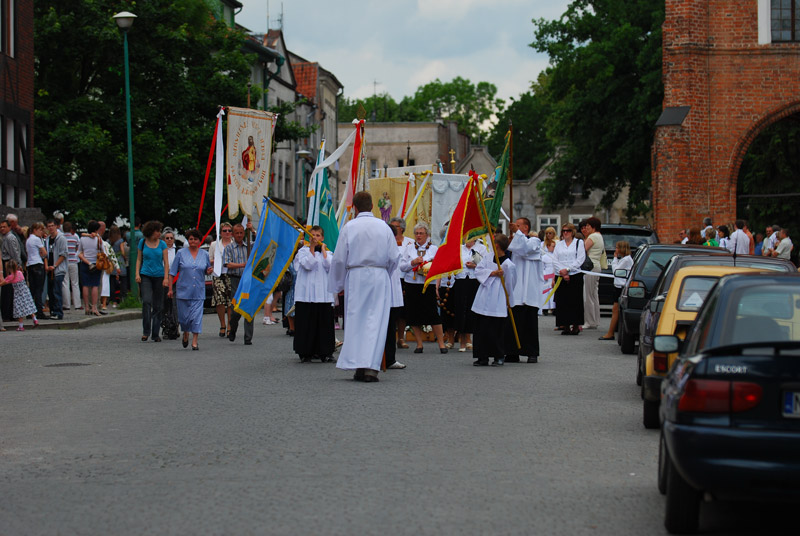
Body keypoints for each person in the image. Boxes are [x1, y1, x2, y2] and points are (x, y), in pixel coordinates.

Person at [329, 191, 400, 383]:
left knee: (356, 320)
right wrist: (384, 273)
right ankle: (370, 368)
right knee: (376, 322)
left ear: (354, 208)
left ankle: (358, 364)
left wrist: (338, 283)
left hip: (356, 276)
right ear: (372, 206)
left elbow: (339, 259)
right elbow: (394, 257)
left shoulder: (349, 227)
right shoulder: (384, 227)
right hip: (379, 276)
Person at [398, 222, 448, 353]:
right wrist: (413, 263)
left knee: (433, 314)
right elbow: (402, 267)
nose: (418, 236)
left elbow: (440, 267)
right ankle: (419, 344)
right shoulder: (409, 249)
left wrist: (429, 266)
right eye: (416, 233)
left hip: (428, 285)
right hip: (412, 284)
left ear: (427, 235)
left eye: (421, 233)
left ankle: (441, 344)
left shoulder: (434, 249)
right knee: (414, 314)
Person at [471, 234, 516, 367]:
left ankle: (498, 356)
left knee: (496, 330)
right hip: (484, 295)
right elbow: (479, 270)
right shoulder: (488, 257)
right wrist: (492, 273)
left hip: (498, 297)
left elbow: (511, 283)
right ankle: (482, 356)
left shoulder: (508, 264)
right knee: (481, 328)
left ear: (497, 245)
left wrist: (508, 299)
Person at [293, 225, 335, 362]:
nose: (315, 238)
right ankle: (305, 352)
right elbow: (308, 265)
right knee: (306, 324)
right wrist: (311, 248)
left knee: (324, 325)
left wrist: (323, 251)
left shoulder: (328, 253)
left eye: (318, 235)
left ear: (322, 238)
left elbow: (330, 266)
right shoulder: (302, 252)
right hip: (306, 295)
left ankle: (325, 352)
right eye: (313, 235)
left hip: (323, 295)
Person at [506, 217, 544, 363]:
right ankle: (512, 352)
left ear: (526, 227)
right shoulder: (515, 241)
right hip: (517, 288)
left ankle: (531, 352)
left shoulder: (534, 241)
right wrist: (512, 240)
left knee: (530, 324)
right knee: (514, 322)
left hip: (529, 289)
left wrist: (517, 234)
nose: (515, 227)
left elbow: (525, 249)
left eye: (518, 225)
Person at [168, 228, 212, 350]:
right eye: (191, 239)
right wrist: (170, 289)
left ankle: (195, 341)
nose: (193, 241)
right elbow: (172, 272)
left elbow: (207, 269)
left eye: (195, 239)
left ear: (199, 241)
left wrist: (209, 270)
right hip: (183, 291)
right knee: (184, 318)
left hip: (198, 290)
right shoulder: (180, 253)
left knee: (196, 317)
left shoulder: (205, 254)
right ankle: (186, 332)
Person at [135, 220, 169, 342]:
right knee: (146, 301)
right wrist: (137, 273)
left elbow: (166, 262)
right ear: (151, 232)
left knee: (158, 305)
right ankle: (146, 331)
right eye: (157, 231)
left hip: (159, 276)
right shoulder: (142, 242)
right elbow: (139, 259)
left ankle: (155, 333)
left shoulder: (162, 244)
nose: (159, 233)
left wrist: (166, 278)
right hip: (146, 275)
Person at [553, 223, 586, 335]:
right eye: (563, 231)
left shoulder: (578, 243)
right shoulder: (559, 244)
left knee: (575, 300)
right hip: (561, 274)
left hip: (575, 274)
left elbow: (580, 259)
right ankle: (565, 325)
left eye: (568, 231)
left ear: (572, 232)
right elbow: (555, 260)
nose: (565, 233)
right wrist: (562, 272)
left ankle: (575, 325)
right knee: (562, 301)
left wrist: (568, 269)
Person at [225, 223, 254, 345]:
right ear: (233, 234)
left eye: (241, 233)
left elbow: (261, 242)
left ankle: (248, 337)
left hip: (248, 280)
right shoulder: (229, 248)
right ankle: (233, 327)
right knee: (236, 308)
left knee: (248, 307)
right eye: (237, 233)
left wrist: (252, 230)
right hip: (235, 280)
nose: (239, 235)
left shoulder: (250, 246)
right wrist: (243, 265)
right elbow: (228, 264)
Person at [599, 241, 633, 341]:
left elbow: (615, 271)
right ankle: (611, 332)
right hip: (618, 286)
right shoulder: (624, 259)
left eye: (617, 248)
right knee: (615, 310)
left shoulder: (626, 260)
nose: (616, 250)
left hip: (621, 287)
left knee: (615, 310)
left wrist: (614, 259)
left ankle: (610, 333)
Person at [384, 223, 407, 369]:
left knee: (391, 327)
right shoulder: (383, 248)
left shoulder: (394, 248)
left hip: (393, 291)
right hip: (385, 290)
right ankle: (384, 358)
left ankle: (390, 358)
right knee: (386, 327)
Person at [389, 217, 413, 348]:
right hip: (390, 277)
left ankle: (401, 338)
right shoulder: (387, 240)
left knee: (403, 311)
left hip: (405, 277)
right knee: (391, 309)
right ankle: (390, 337)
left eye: (395, 226)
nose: (393, 229)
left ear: (402, 228)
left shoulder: (410, 242)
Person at [580, 217, 606, 330]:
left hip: (590, 267)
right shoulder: (599, 236)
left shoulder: (593, 236)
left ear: (593, 227)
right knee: (594, 295)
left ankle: (589, 321)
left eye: (588, 226)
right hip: (596, 267)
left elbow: (582, 249)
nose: (586, 228)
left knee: (588, 296)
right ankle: (595, 320)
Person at [209, 222, 234, 337]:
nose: (227, 233)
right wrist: (218, 260)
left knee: (230, 301)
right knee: (219, 300)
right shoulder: (214, 244)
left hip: (230, 274)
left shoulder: (234, 244)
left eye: (229, 230)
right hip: (218, 274)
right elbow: (209, 260)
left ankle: (229, 325)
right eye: (225, 231)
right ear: (220, 233)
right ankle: (222, 324)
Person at [0, 260, 38, 330]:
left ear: (8, 268)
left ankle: (21, 326)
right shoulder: (20, 273)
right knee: (28, 305)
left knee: (19, 310)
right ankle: (35, 319)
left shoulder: (10, 277)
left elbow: (2, 283)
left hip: (18, 294)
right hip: (25, 292)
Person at [45, 219, 68, 320]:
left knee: (56, 290)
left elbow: (63, 254)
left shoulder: (61, 238)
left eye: (52, 226)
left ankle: (58, 312)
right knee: (50, 292)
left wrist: (55, 266)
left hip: (58, 269)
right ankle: (52, 311)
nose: (50, 228)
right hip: (49, 269)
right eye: (49, 226)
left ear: (56, 226)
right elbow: (45, 254)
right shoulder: (47, 239)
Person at [0, 218, 22, 322]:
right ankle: (7, 313)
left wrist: (18, 264)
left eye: (4, 227)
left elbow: (14, 253)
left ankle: (9, 314)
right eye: (1, 227)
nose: (2, 229)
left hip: (10, 264)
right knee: (7, 291)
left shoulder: (10, 237)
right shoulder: (4, 237)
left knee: (10, 290)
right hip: (7, 264)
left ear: (9, 227)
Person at [25, 222, 48, 319]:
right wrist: (41, 254)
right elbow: (45, 253)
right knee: (39, 289)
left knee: (32, 289)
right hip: (38, 264)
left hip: (30, 264)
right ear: (35, 230)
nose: (42, 232)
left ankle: (30, 311)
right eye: (40, 230)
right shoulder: (37, 239)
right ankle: (39, 311)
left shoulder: (28, 239)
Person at [161, 228, 180, 339]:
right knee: (165, 304)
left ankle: (175, 326)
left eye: (171, 238)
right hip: (164, 279)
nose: (169, 240)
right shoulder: (160, 250)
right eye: (167, 238)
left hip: (176, 280)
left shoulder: (178, 251)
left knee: (175, 304)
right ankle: (166, 326)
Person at [61, 222, 82, 311]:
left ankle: (66, 304)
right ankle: (77, 304)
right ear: (71, 229)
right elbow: (77, 249)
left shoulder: (61, 238)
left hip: (64, 262)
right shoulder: (75, 237)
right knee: (75, 283)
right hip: (73, 261)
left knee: (65, 283)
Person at [541, 227, 558, 315]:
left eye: (550, 233)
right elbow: (542, 266)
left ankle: (553, 307)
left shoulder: (556, 243)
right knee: (546, 291)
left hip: (553, 273)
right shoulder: (543, 246)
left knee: (553, 291)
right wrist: (545, 274)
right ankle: (545, 307)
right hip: (547, 274)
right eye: (547, 233)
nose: (548, 235)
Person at [109, 225, 128, 305]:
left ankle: (113, 299)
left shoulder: (109, 241)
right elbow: (123, 252)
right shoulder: (120, 241)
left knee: (112, 282)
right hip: (120, 262)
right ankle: (122, 298)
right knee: (123, 281)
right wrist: (125, 258)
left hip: (112, 262)